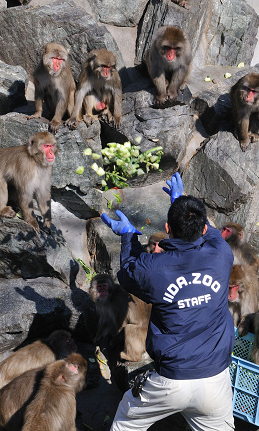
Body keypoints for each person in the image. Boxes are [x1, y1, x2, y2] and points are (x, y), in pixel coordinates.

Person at [101, 173, 235, 431]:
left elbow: (128, 272)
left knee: (127, 423)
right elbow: (209, 231)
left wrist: (128, 235)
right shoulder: (221, 254)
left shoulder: (154, 269)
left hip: (171, 379)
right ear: (205, 230)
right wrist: (181, 200)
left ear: (167, 229)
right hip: (216, 380)